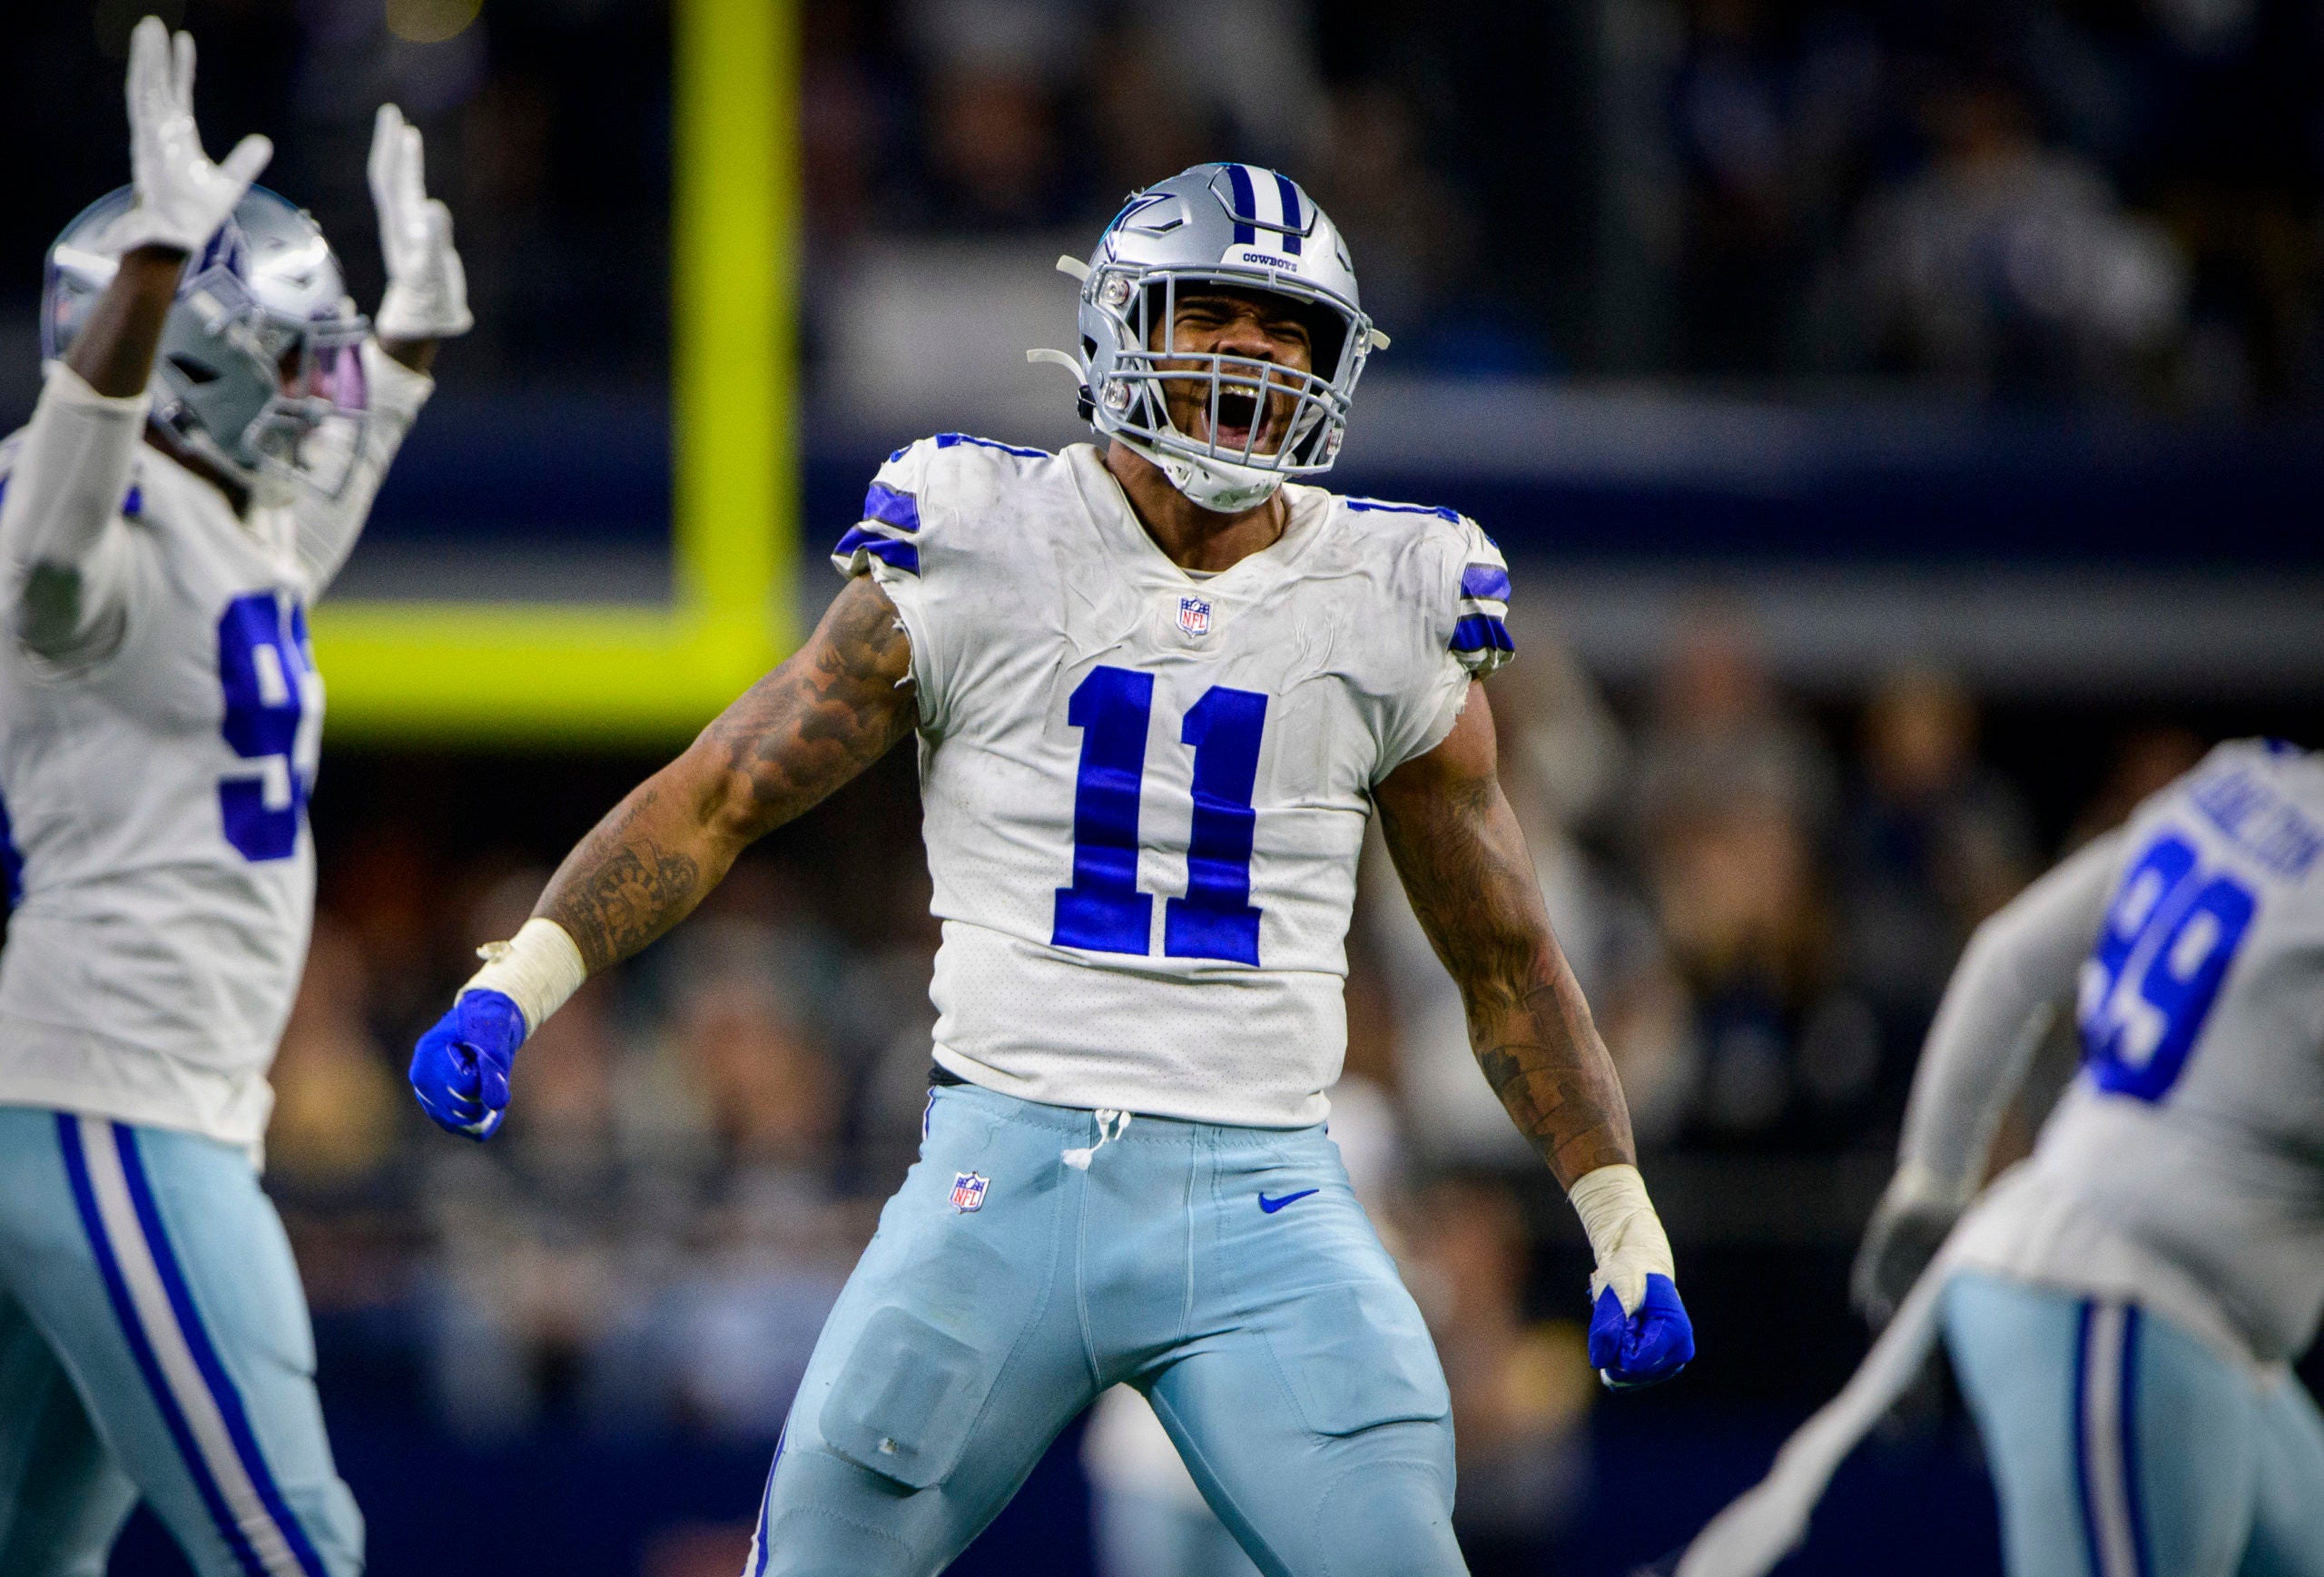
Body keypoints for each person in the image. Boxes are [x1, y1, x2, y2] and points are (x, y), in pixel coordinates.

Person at [409, 163, 1692, 1574]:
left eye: (1289, 331)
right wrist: (521, 979)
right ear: (1118, 326)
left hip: (1266, 1199)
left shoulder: (1391, 598)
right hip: (1003, 1175)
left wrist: (1621, 1221)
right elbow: (724, 792)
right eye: (1217, 312)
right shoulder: (980, 537)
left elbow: (1504, 960)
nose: (1256, 356)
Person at [0, 20, 468, 1575]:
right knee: (293, 1545)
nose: (315, 392)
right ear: (188, 361)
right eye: (292, 357)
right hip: (108, 1104)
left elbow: (301, 532)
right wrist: (149, 268)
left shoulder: (226, 518)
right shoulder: (78, 511)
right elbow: (60, 535)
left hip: (124, 1100)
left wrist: (401, 350)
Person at [1677, 739, 2324, 1577]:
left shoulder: (2246, 783)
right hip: (2120, 1295)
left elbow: (2008, 959)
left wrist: (1932, 1187)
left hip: (2156, 1305)